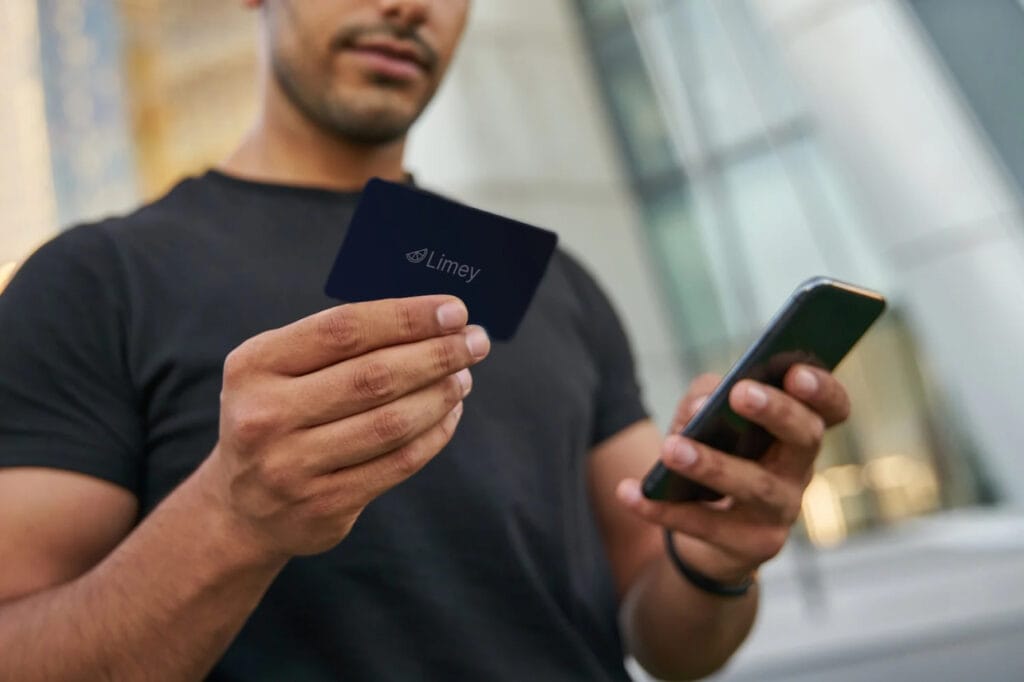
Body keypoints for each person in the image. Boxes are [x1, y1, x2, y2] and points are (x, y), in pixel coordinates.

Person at [0, 1, 850, 680]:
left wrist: (712, 560)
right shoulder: (93, 280)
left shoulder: (555, 282)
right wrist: (231, 515)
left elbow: (668, 639)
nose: (409, 7)